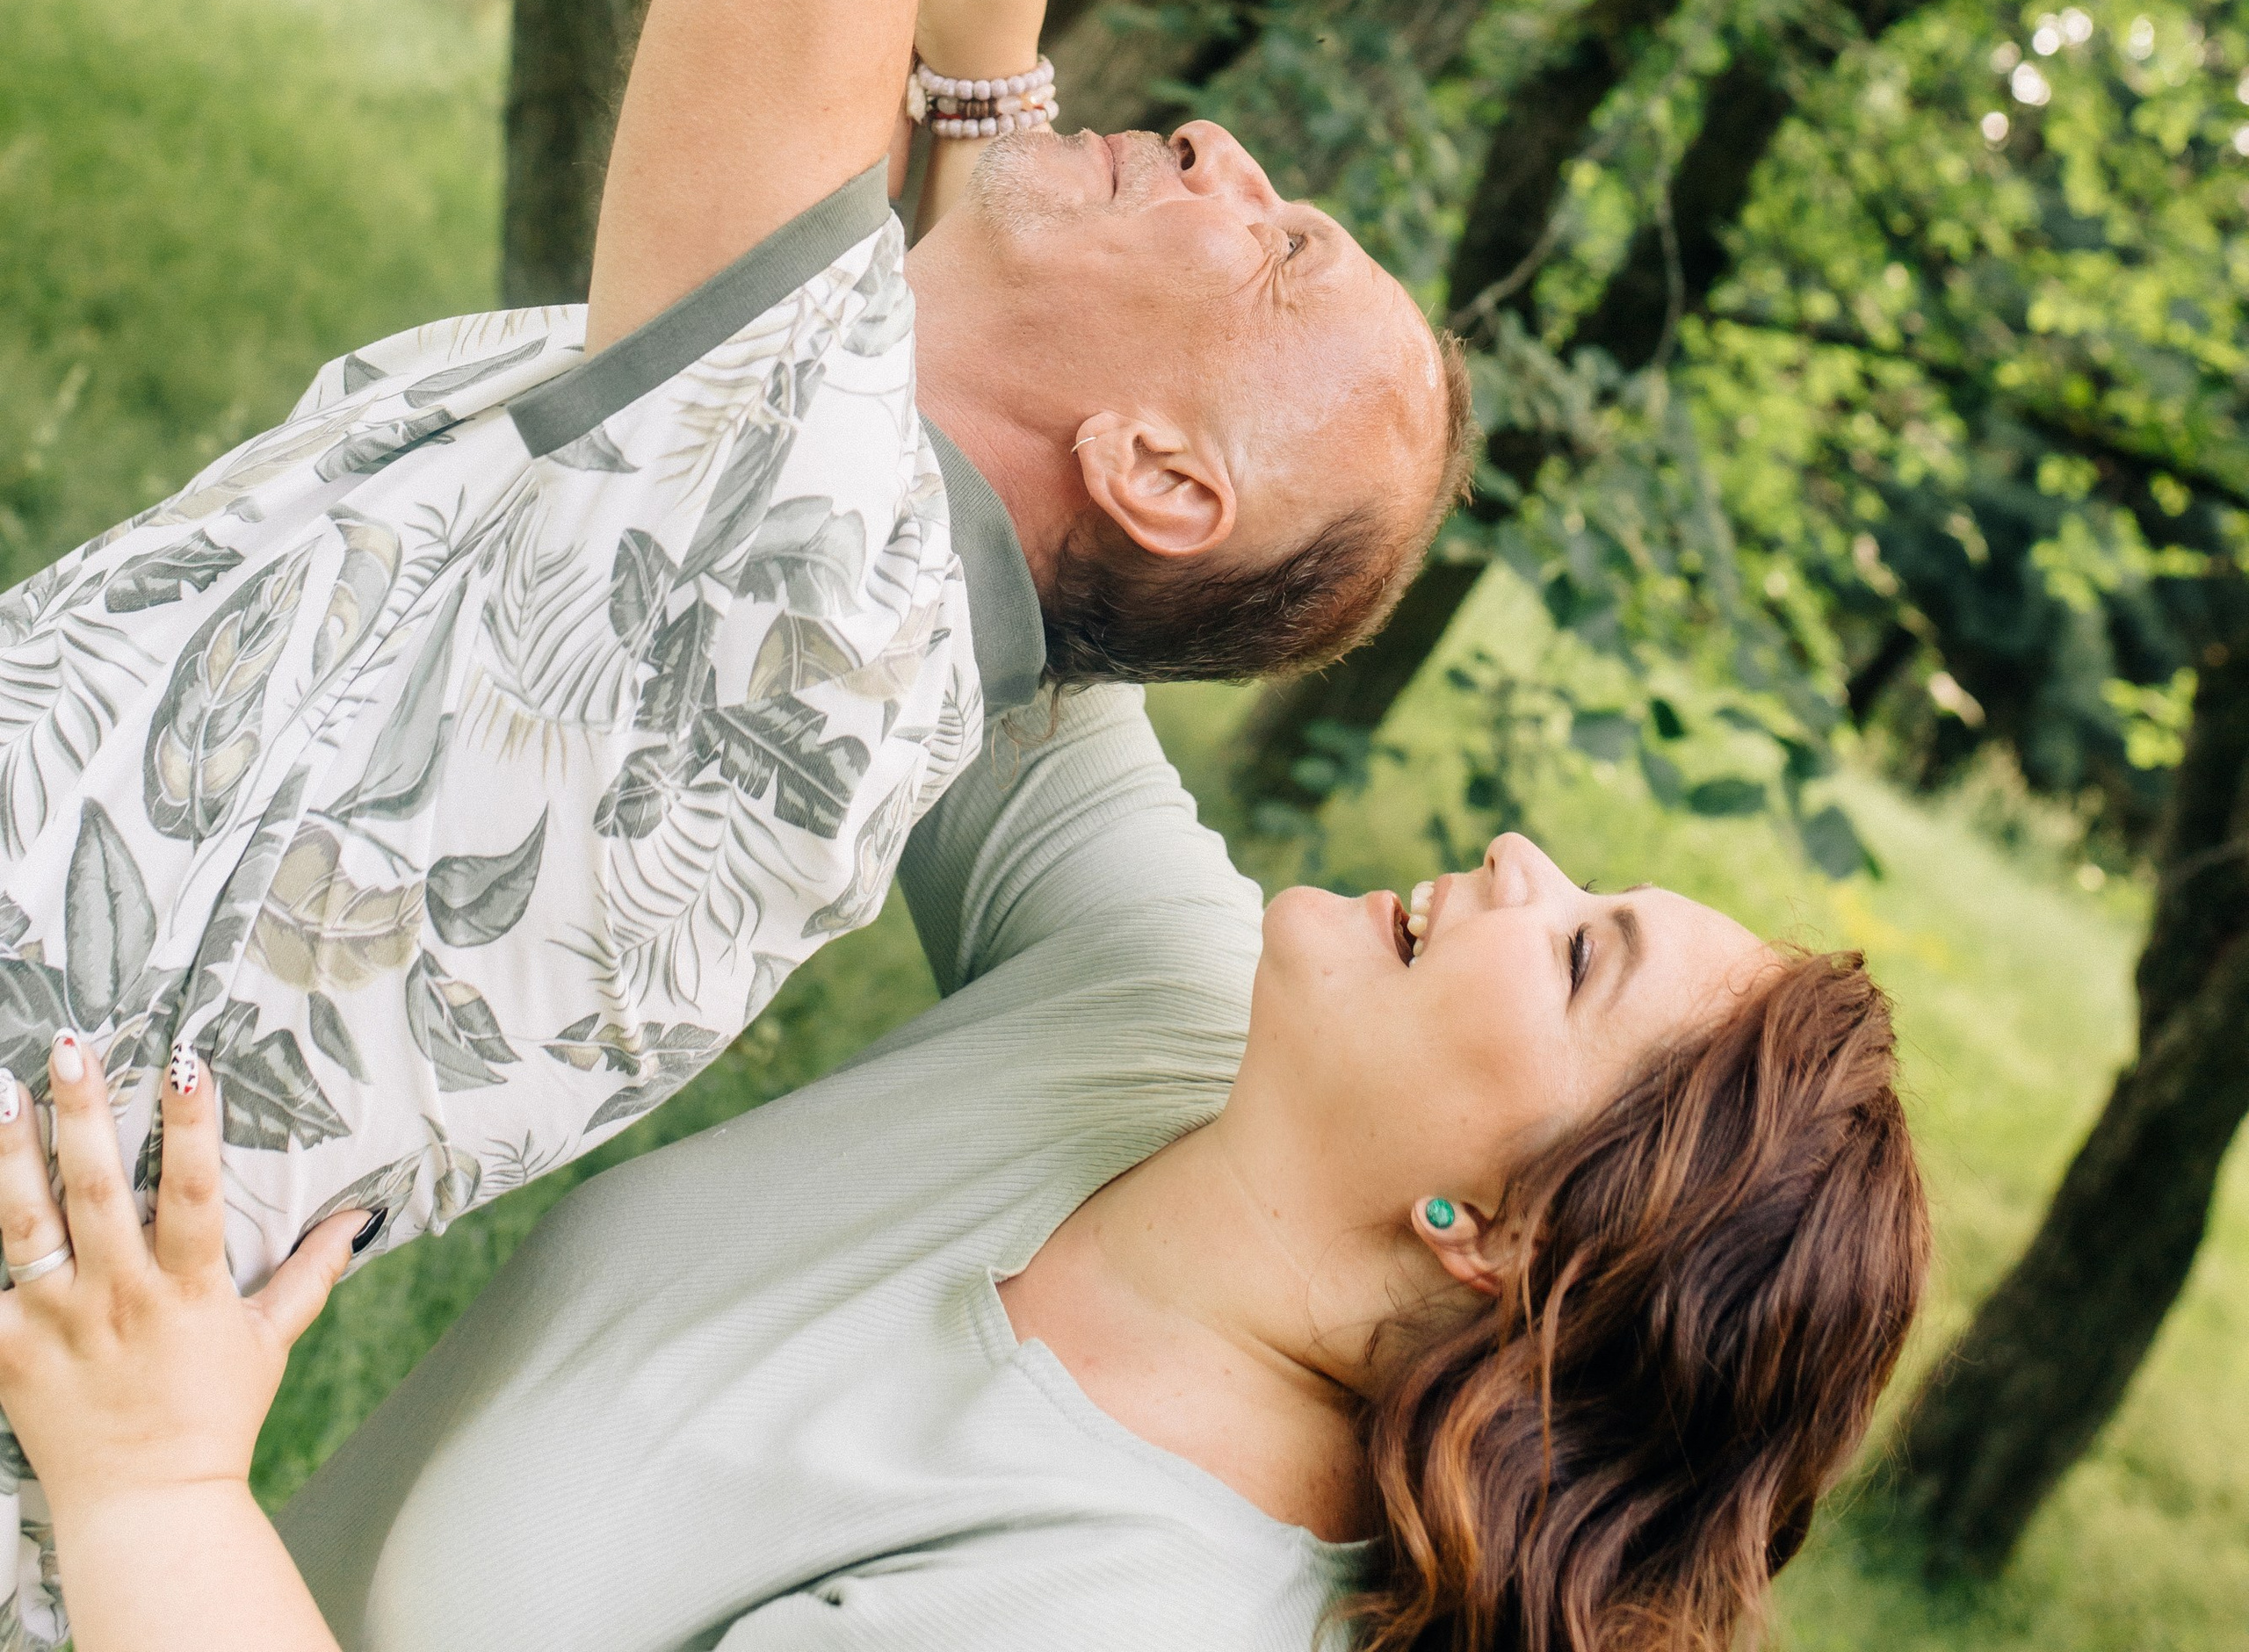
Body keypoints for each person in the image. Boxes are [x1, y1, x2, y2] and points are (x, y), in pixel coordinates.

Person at [0, 0, 1467, 1634]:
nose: (1226, 156)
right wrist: (1008, 99)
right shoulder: (837, 555)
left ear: (1164, 479)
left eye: (1280, 243)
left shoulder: (819, 578)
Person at [0, 692, 1930, 1652]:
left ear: (1505, 1241)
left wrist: (150, 1475)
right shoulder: (1181, 1026)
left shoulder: (1113, 1610)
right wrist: (992, 87)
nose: (1518, 860)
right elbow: (1004, 585)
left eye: (1579, 954)